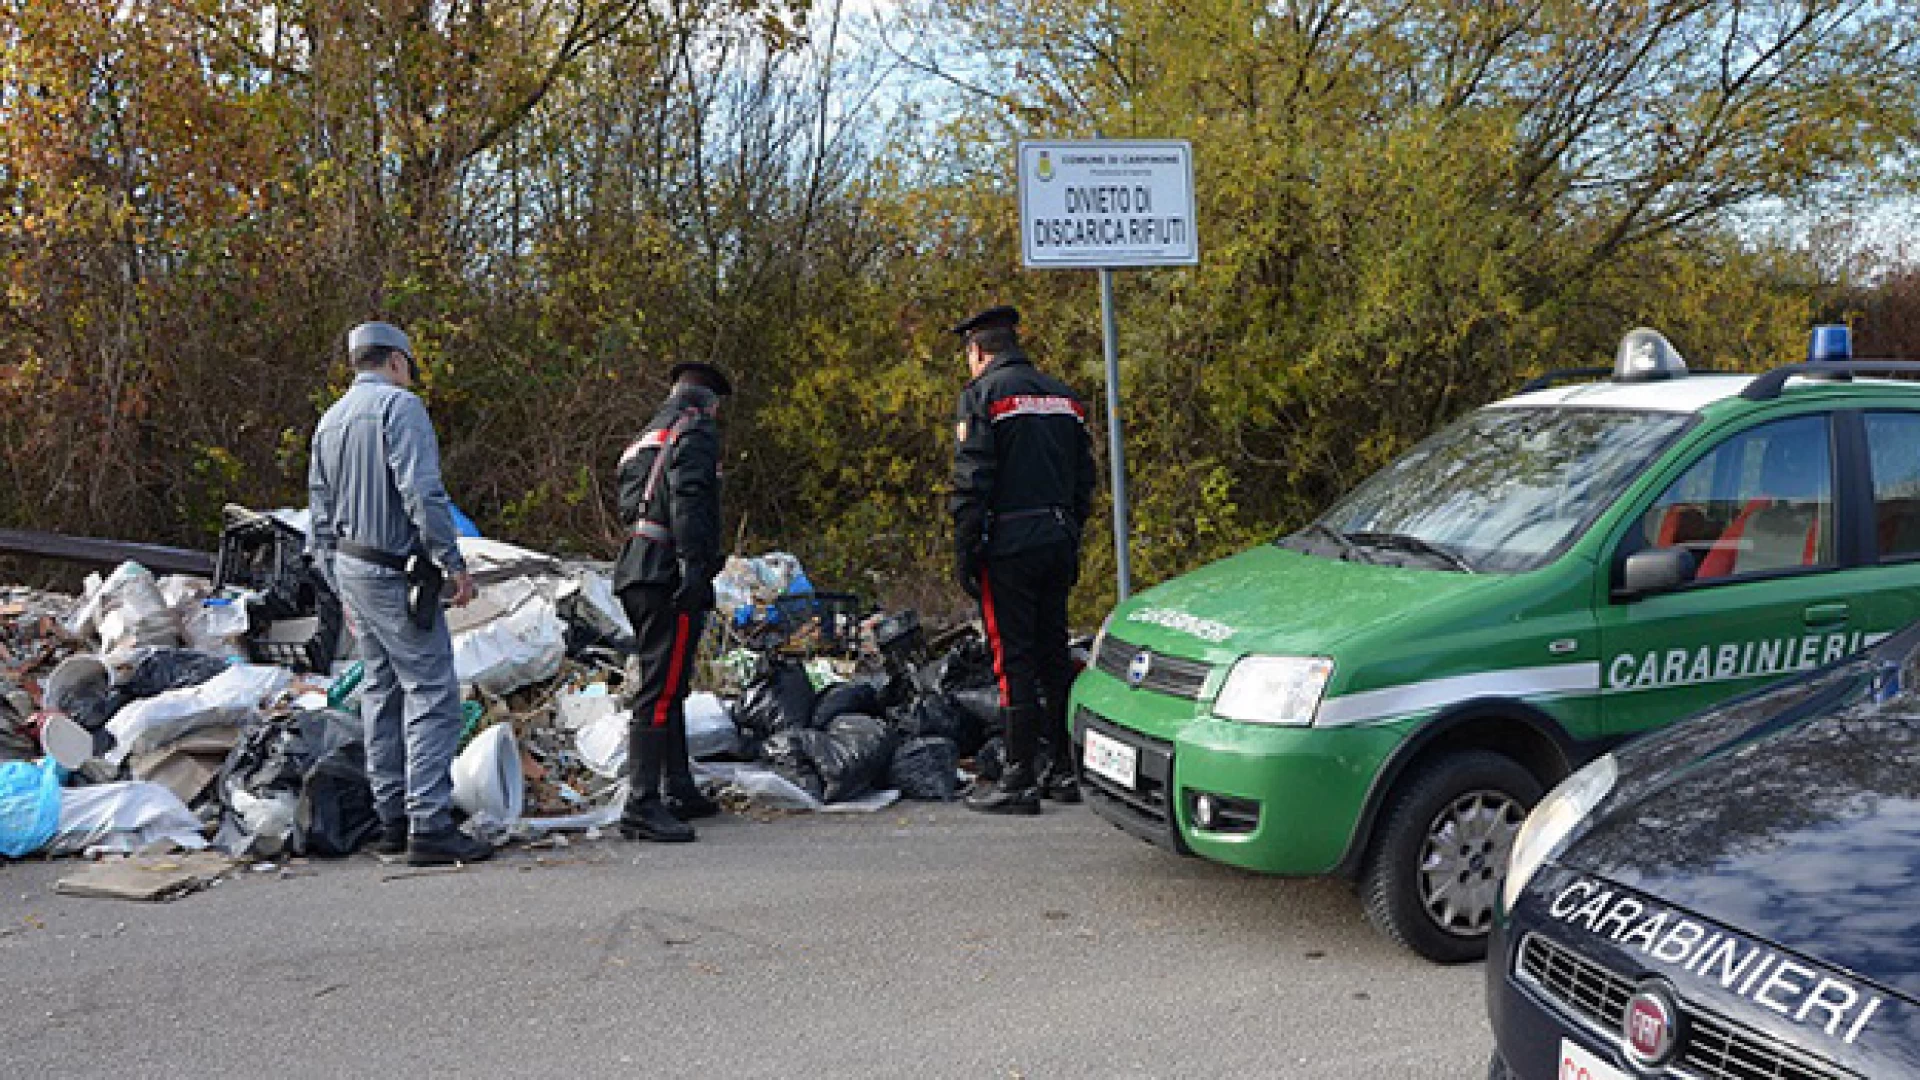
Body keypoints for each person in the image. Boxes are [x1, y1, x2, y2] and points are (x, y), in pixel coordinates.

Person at [307, 321, 491, 866]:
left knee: (381, 694)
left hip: (353, 570)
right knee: (432, 693)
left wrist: (335, 580)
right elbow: (422, 491)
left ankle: (391, 819)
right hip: (395, 572)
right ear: (395, 361)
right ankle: (429, 823)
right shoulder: (399, 408)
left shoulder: (329, 421)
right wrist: (452, 562)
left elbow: (319, 515)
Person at [950, 305, 1096, 814]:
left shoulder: (983, 397)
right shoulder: (1063, 396)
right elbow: (1085, 478)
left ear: (978, 351)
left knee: (1011, 658)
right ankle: (1061, 769)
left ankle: (1017, 779)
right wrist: (1071, 528)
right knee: (1054, 654)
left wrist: (965, 548)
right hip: (1057, 537)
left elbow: (973, 480)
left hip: (1010, 544)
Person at [612, 361, 731, 842]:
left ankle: (678, 787)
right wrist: (696, 564)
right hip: (668, 571)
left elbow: (628, 504)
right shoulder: (696, 429)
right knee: (661, 690)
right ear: (711, 403)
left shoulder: (644, 436)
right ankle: (641, 803)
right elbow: (691, 495)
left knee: (668, 682)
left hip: (635, 566)